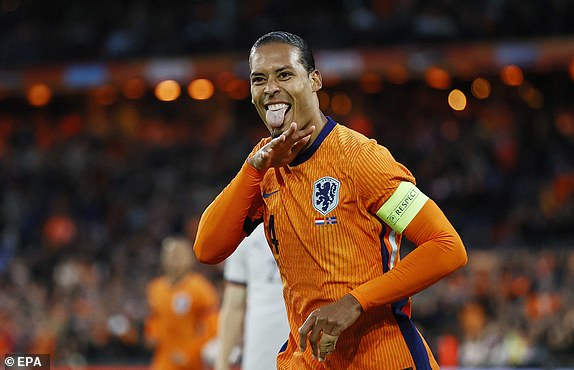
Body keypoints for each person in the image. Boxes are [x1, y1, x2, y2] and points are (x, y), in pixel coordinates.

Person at [194, 30, 468, 369]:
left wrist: (354, 302)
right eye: (258, 79)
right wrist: (253, 170)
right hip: (306, 359)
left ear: (314, 80)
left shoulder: (361, 158)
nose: (270, 89)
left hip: (382, 358)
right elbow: (207, 249)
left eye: (284, 74)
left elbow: (447, 247)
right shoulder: (263, 167)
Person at [214, 223, 289, 370]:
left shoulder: (313, 226)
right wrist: (222, 361)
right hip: (261, 350)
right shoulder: (244, 237)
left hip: (305, 346)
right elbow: (234, 306)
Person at [146, 237, 219, 370]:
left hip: (192, 364)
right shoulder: (156, 288)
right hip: (162, 362)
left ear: (189, 257)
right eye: (170, 254)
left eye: (178, 253)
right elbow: (154, 319)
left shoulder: (200, 289)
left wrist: (190, 354)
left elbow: (212, 328)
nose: (174, 258)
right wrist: (152, 334)